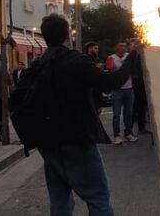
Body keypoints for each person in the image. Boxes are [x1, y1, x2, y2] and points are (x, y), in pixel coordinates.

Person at [35, 13, 137, 216]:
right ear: (66, 35)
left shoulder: (37, 65)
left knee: (59, 200)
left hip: (47, 141)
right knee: (98, 197)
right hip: (77, 137)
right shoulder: (76, 61)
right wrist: (133, 55)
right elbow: (111, 82)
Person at [106, 42, 138, 144]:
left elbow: (133, 67)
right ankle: (116, 136)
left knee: (128, 113)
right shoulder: (111, 58)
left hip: (129, 88)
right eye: (121, 46)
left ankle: (128, 133)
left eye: (125, 46)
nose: (123, 48)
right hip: (117, 90)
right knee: (116, 114)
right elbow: (111, 72)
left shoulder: (129, 56)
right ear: (116, 48)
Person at [129, 39, 149, 135]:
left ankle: (141, 128)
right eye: (136, 44)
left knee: (141, 107)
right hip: (134, 85)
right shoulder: (130, 57)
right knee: (132, 108)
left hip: (142, 85)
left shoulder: (142, 56)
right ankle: (129, 131)